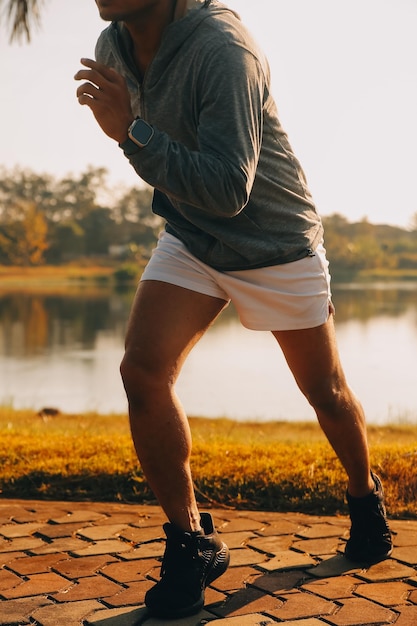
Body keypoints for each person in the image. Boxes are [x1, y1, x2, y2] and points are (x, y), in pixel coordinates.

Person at [75, 0, 392, 619]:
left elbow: (227, 187)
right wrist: (132, 134)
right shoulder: (113, 45)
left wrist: (131, 133)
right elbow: (176, 176)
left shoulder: (225, 49)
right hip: (193, 237)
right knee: (142, 371)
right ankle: (192, 541)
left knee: (325, 391)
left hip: (275, 243)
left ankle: (364, 498)